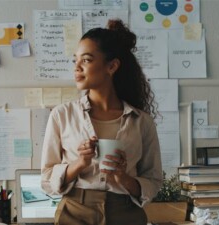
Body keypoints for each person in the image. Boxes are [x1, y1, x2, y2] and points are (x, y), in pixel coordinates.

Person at [41, 19, 163, 225]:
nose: (77, 67)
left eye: (86, 60)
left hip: (127, 213)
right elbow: (47, 179)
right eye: (75, 60)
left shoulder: (142, 121)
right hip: (74, 212)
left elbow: (153, 181)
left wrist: (123, 178)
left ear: (112, 66)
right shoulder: (61, 115)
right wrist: (80, 163)